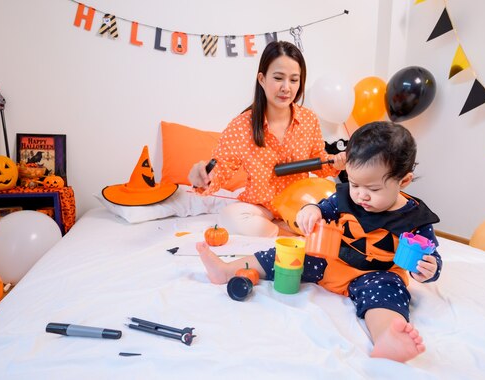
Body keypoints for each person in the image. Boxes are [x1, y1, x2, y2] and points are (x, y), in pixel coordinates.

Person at [196, 121, 442, 363]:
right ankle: (226, 270)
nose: (361, 195)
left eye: (373, 189)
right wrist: (312, 210)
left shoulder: (415, 218)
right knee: (284, 254)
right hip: (331, 262)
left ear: (404, 181)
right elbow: (323, 208)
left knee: (386, 296)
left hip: (377, 273)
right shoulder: (347, 197)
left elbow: (431, 259)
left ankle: (387, 337)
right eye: (355, 184)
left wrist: (427, 270)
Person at [188, 41, 345, 237]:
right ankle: (287, 234)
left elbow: (320, 161)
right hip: (263, 207)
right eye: (278, 78)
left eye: (294, 80)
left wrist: (339, 161)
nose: (286, 88)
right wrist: (202, 178)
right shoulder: (241, 126)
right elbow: (221, 169)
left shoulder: (308, 119)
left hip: (300, 204)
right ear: (261, 79)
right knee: (230, 216)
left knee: (340, 210)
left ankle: (290, 228)